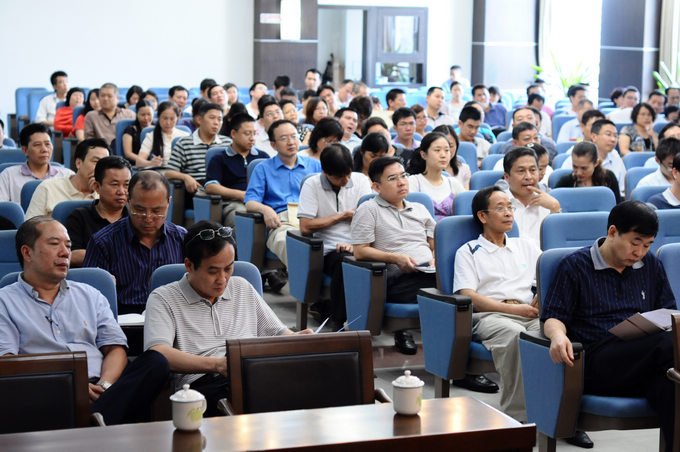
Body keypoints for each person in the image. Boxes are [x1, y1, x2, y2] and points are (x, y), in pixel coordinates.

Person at [0, 216, 170, 425]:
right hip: (45, 390)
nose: (65, 253)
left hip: (101, 387)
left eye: (68, 246)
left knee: (156, 362)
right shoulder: (4, 302)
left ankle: (93, 418)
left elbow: (115, 349)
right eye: (54, 244)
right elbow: (8, 364)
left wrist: (105, 386)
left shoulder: (91, 295)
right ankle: (96, 422)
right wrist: (70, 385)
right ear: (27, 253)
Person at [542, 201, 676, 451]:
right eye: (635, 242)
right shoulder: (575, 265)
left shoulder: (651, 265)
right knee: (668, 343)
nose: (640, 252)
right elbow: (553, 316)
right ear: (613, 232)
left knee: (673, 389)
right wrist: (558, 336)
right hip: (596, 362)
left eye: (647, 245)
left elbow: (668, 313)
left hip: (644, 360)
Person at [144, 220, 313, 416]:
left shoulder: (241, 286)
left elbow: (277, 333)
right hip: (204, 384)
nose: (223, 279)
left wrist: (299, 340)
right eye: (213, 271)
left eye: (228, 268)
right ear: (189, 265)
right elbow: (158, 353)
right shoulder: (164, 298)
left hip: (256, 374)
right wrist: (218, 364)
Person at [453, 186, 541, 422]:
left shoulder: (525, 246)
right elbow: (469, 296)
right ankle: (519, 418)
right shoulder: (468, 252)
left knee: (558, 335)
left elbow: (550, 275)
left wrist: (542, 298)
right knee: (517, 336)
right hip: (490, 316)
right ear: (483, 216)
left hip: (530, 313)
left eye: (510, 207)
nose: (509, 213)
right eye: (500, 208)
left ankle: (561, 415)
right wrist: (513, 309)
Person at [351, 156, 436, 355]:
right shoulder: (368, 209)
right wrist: (396, 258)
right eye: (392, 178)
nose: (401, 182)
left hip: (429, 271)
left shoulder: (420, 208)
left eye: (403, 176)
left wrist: (436, 258)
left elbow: (436, 242)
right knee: (452, 291)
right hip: (397, 277)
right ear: (376, 187)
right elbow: (360, 250)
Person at [83, 171, 186, 313]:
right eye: (140, 210)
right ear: (128, 200)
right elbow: (88, 298)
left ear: (169, 202)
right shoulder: (103, 243)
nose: (148, 218)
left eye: (157, 211)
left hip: (172, 316)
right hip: (122, 319)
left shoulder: (181, 238)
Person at [298, 144, 372, 330]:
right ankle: (337, 321)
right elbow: (305, 226)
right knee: (344, 262)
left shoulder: (361, 181)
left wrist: (355, 244)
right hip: (328, 248)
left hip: (359, 243)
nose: (345, 180)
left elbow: (369, 219)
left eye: (348, 174)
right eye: (339, 177)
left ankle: (365, 319)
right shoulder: (312, 185)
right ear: (325, 172)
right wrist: (341, 216)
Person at [244, 120, 322, 291]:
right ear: (273, 144)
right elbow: (250, 201)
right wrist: (265, 209)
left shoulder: (315, 165)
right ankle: (308, 295)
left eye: (294, 136)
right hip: (282, 221)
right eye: (284, 138)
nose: (291, 142)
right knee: (291, 244)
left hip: (313, 219)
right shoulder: (263, 168)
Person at [205, 113, 269, 227]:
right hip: (234, 203)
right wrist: (241, 195)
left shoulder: (262, 157)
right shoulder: (219, 158)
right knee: (243, 219)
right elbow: (211, 186)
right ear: (233, 134)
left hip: (262, 201)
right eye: (247, 133)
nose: (252, 138)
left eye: (254, 133)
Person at [65, 156, 131, 267]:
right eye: (115, 184)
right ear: (97, 187)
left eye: (127, 185)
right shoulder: (79, 217)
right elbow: (73, 254)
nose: (121, 191)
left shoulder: (136, 218)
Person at [26, 138, 109, 219]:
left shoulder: (108, 193)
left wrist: (102, 194)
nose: (101, 168)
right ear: (78, 163)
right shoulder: (48, 188)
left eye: (105, 164)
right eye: (95, 162)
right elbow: (30, 226)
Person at [165, 102, 229, 199]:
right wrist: (186, 177)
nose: (216, 122)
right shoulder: (184, 143)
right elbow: (169, 173)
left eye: (220, 119)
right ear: (199, 119)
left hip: (224, 188)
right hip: (196, 190)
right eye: (212, 118)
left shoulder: (227, 143)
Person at [501, 147, 560, 246]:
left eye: (533, 170)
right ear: (507, 177)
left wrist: (555, 209)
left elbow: (559, 243)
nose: (528, 177)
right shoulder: (499, 205)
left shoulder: (550, 204)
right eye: (521, 171)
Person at [0, 123, 73, 203]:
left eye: (47, 144)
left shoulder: (67, 176)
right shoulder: (8, 176)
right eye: (37, 145)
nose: (44, 149)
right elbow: (3, 208)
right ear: (25, 150)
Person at [407, 132, 464, 220]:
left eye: (447, 150)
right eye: (437, 150)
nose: (443, 155)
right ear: (424, 155)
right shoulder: (413, 182)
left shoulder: (453, 183)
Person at [555, 141, 622, 203]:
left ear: (596, 163)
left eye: (584, 168)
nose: (579, 172)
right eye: (575, 167)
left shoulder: (608, 179)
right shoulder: (565, 183)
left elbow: (617, 207)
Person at [138, 101, 189, 167]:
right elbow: (139, 162)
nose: (168, 123)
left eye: (172, 119)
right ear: (159, 117)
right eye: (165, 118)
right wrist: (150, 163)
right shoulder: (151, 136)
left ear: (178, 117)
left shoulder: (185, 135)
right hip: (162, 171)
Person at [433, 124, 471, 189]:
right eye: (439, 148)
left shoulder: (464, 169)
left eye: (450, 146)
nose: (446, 152)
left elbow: (465, 194)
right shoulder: (426, 170)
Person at [121, 99, 154, 165]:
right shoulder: (130, 130)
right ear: (137, 114)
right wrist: (146, 162)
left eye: (149, 114)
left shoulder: (157, 129)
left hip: (156, 164)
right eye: (143, 115)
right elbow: (128, 154)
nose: (146, 118)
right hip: (135, 165)